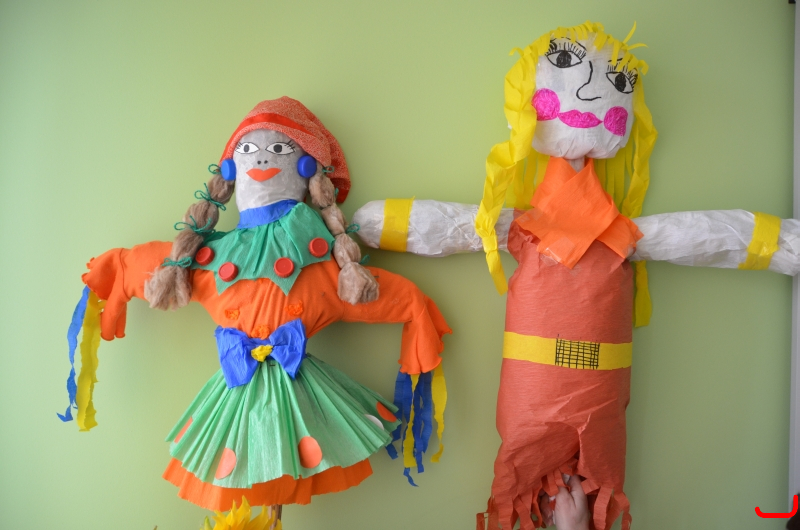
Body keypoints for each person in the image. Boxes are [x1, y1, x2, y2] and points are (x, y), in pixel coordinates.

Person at [66, 97, 451, 514]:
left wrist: (416, 315)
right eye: (249, 150)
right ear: (230, 172)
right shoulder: (212, 258)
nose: (262, 159)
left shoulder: (326, 265)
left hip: (296, 383)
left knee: (275, 477)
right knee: (243, 486)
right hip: (239, 379)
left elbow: (392, 297)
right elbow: (149, 262)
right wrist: (115, 275)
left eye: (279, 149)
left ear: (307, 169)